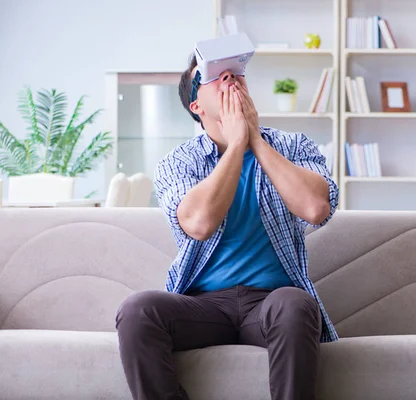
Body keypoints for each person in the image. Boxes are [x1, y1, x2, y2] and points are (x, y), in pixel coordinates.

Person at [115, 53, 339, 400]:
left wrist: (255, 141)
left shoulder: (294, 147)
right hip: (203, 306)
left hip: (272, 303)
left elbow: (316, 208)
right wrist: (236, 145)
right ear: (196, 105)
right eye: (215, 77)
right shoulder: (178, 162)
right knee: (137, 310)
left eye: (236, 73)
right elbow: (199, 223)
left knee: (296, 304)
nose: (230, 79)